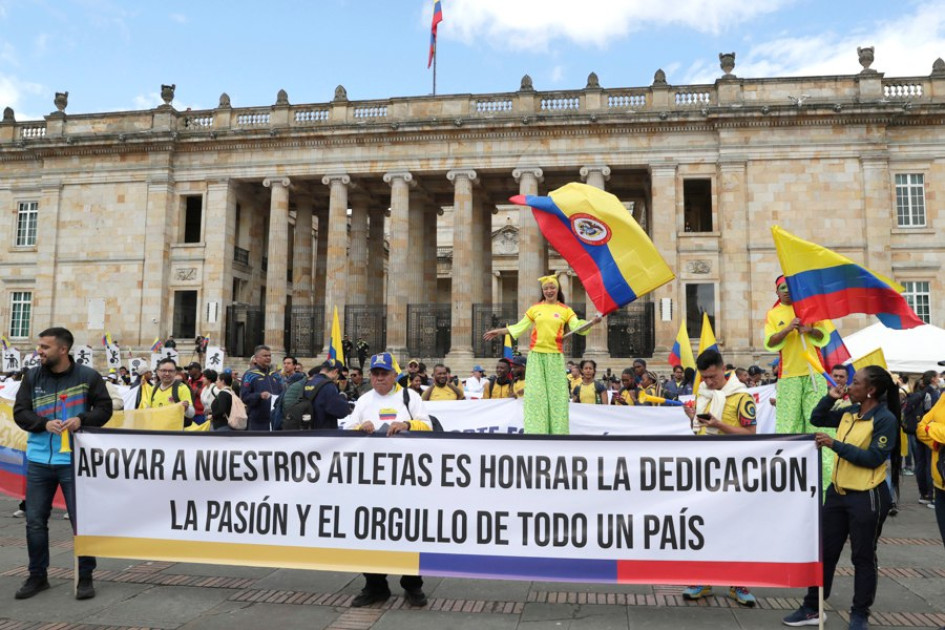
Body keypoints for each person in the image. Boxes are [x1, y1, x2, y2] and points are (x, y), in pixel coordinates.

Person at [782, 365, 899, 629]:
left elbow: (873, 458)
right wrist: (831, 397)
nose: (849, 385)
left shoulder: (884, 419)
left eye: (855, 382)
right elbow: (817, 417)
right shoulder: (849, 412)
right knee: (825, 551)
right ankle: (813, 606)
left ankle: (860, 613)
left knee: (863, 556)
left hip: (866, 495)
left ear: (870, 390)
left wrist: (836, 445)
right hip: (837, 493)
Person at [13, 327, 113, 600]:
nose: (39, 351)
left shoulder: (87, 377)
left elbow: (105, 409)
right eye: (39, 346)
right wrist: (43, 423)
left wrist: (82, 419)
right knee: (34, 521)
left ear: (62, 349)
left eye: (44, 347)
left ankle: (85, 576)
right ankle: (37, 575)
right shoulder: (32, 376)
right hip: (37, 461)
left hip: (74, 462)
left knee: (82, 521)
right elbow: (20, 412)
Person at [343, 352, 431, 608]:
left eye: (384, 373)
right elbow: (347, 429)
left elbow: (428, 426)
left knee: (409, 531)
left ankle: (412, 585)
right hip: (371, 479)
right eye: (376, 374)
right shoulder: (363, 400)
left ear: (395, 375)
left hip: (406, 477)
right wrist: (361, 428)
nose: (380, 378)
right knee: (371, 532)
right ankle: (375, 584)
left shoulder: (410, 396)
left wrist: (406, 425)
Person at [681, 349, 757, 606]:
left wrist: (719, 424)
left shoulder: (741, 396)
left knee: (736, 528)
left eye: (712, 377)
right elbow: (700, 433)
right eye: (704, 377)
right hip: (705, 469)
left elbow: (751, 434)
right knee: (703, 526)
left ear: (723, 369)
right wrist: (694, 420)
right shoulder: (703, 394)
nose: (708, 382)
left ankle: (739, 583)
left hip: (734, 472)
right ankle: (703, 578)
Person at [483, 275, 597, 434]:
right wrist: (500, 331)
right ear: (543, 291)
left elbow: (577, 326)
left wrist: (590, 323)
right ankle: (536, 432)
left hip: (555, 356)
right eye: (546, 288)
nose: (549, 291)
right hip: (536, 356)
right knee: (536, 396)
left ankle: (558, 433)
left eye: (552, 288)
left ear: (558, 289)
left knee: (557, 397)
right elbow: (520, 327)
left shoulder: (565, 310)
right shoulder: (535, 308)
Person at [765, 275, 833, 491]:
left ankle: (826, 483)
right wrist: (787, 329)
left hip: (814, 373)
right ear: (777, 292)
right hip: (788, 376)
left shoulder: (810, 308)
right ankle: (788, 480)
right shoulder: (773, 314)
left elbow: (824, 336)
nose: (786, 291)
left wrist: (809, 329)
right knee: (788, 427)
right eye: (782, 288)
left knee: (817, 424)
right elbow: (770, 342)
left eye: (789, 287)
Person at [917, 360, 945, 552]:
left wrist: (932, 429)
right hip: (940, 483)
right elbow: (921, 427)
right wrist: (936, 441)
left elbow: (927, 425)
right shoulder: (943, 397)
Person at [904, 370, 940, 505]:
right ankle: (932, 495)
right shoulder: (933, 394)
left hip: (917, 431)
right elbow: (933, 414)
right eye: (937, 377)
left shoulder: (919, 393)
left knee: (920, 463)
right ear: (932, 380)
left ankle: (923, 494)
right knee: (930, 463)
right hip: (929, 432)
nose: (939, 379)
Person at [240, 345, 284, 431]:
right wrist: (259, 396)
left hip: (275, 420)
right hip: (257, 422)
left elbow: (282, 393)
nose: (268, 358)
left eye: (269, 356)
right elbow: (245, 397)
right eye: (265, 356)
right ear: (256, 358)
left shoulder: (275, 375)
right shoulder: (249, 375)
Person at [141, 358, 195, 427]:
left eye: (170, 371)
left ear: (175, 372)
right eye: (163, 370)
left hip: (174, 434)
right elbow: (148, 410)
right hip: (156, 432)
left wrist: (186, 408)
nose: (167, 374)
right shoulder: (153, 388)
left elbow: (191, 413)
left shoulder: (182, 388)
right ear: (158, 372)